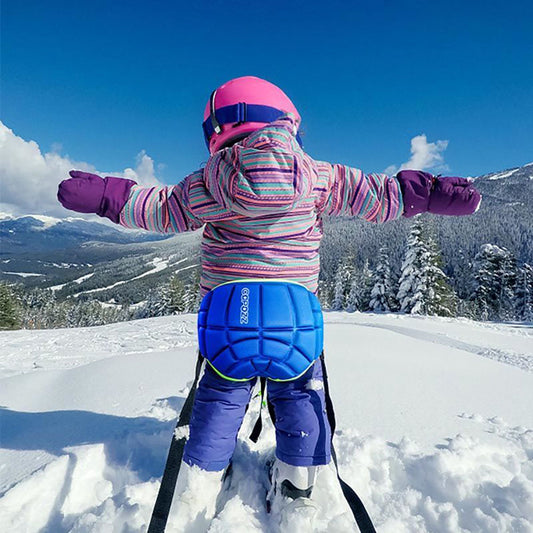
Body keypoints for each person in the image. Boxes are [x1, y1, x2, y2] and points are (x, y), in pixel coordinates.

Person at [57, 76, 481, 527]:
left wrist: (107, 195)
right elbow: (379, 196)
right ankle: (298, 484)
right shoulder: (321, 177)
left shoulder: (209, 181)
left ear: (217, 131)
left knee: (219, 397)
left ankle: (201, 480)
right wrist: (431, 192)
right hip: (293, 322)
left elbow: (158, 207)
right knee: (300, 394)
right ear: (285, 121)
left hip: (227, 320)